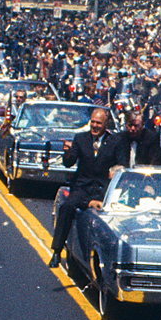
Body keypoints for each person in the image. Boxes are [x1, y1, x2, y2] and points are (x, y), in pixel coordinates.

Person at [48, 108, 128, 267]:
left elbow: (123, 164)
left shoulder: (116, 141)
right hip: (82, 187)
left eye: (98, 123)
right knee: (67, 207)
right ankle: (57, 251)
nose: (95, 126)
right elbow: (68, 163)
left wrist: (116, 169)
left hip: (102, 188)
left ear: (106, 124)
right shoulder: (80, 138)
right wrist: (68, 153)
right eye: (93, 122)